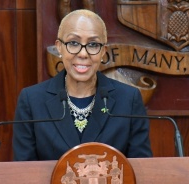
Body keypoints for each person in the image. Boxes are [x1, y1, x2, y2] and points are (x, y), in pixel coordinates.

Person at [13, 9, 152, 161]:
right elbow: (24, 172)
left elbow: (140, 168)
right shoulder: (32, 101)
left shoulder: (129, 100)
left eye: (93, 44)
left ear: (103, 51)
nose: (83, 54)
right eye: (73, 43)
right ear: (59, 47)